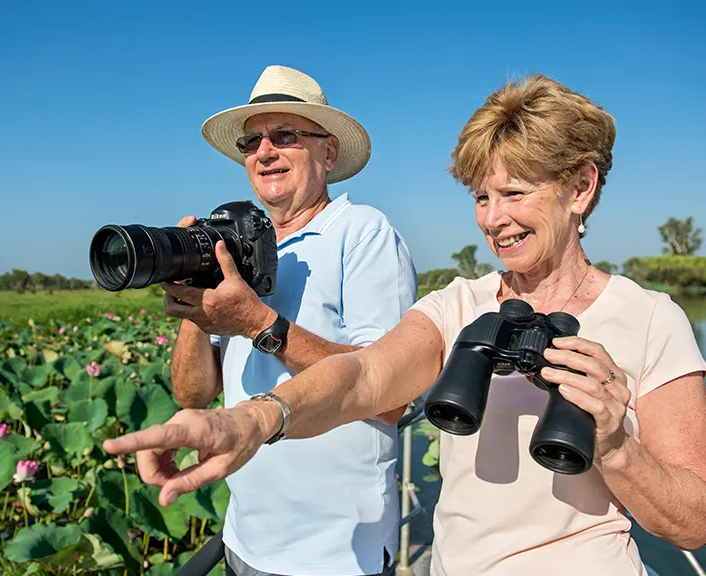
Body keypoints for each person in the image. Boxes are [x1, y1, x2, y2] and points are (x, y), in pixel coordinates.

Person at [105, 74, 706, 575]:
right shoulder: (459, 304)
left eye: (514, 194)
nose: (493, 221)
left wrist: (615, 446)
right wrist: (254, 419)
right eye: (480, 198)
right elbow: (365, 377)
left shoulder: (650, 317)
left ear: (581, 187)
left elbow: (691, 521)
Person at [148, 65, 417, 576]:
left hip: (336, 552)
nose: (264, 151)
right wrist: (196, 287)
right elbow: (193, 395)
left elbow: (393, 396)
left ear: (329, 152)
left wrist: (257, 323)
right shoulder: (243, 250)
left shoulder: (363, 233)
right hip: (245, 537)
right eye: (252, 142)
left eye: (285, 135)